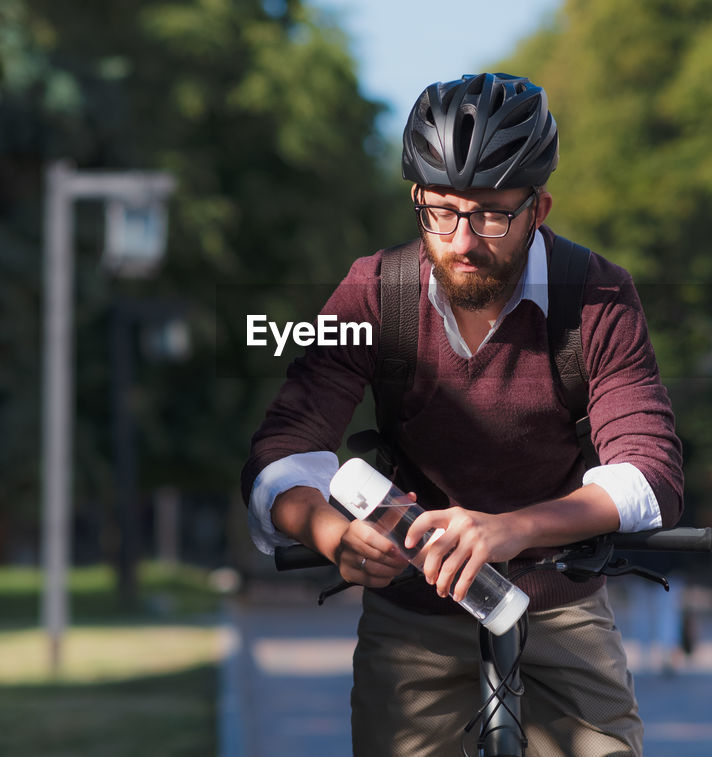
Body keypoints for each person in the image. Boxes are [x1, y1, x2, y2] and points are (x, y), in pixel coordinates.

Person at [241, 71, 683, 756]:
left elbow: (649, 471)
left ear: (539, 208)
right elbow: (284, 448)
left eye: (492, 214)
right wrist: (331, 531)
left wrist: (511, 529)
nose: (462, 239)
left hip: (557, 602)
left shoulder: (595, 295)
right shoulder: (374, 294)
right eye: (440, 211)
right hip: (414, 616)